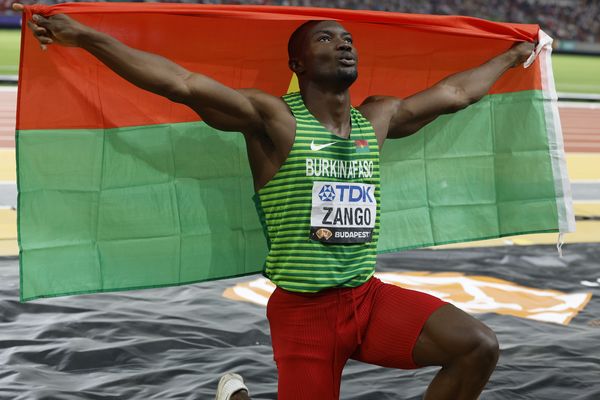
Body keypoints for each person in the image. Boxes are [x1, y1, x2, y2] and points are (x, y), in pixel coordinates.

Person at [14, 3, 535, 399]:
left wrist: (515, 54)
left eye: (348, 38)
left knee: (477, 346)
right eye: (326, 39)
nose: (344, 44)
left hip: (366, 298)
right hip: (305, 313)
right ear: (298, 62)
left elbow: (456, 94)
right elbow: (180, 83)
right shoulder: (274, 120)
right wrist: (85, 37)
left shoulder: (377, 118)